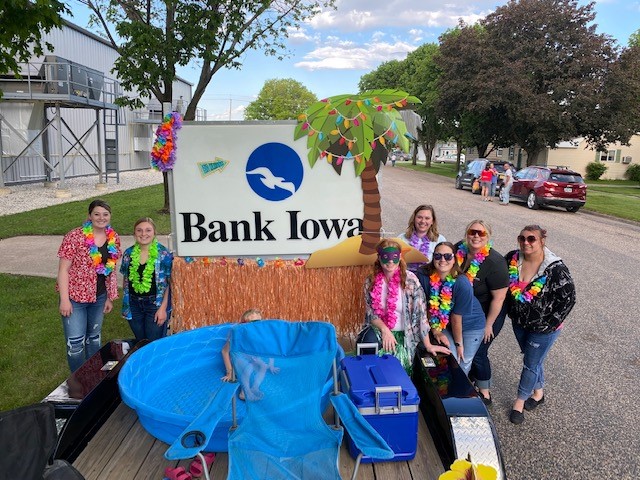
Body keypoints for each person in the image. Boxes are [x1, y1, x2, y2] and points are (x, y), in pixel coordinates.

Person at [505, 225, 575, 425]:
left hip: (544, 329)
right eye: (522, 238)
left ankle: (519, 403)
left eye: (531, 239)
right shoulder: (512, 259)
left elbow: (569, 299)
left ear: (542, 241)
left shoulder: (555, 269)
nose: (526, 242)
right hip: (519, 323)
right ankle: (538, 393)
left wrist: (551, 324)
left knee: (530, 363)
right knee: (533, 360)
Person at [358, 239, 450, 374]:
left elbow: (421, 315)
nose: (390, 262)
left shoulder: (411, 281)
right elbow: (370, 313)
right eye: (385, 257)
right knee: (371, 359)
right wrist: (384, 330)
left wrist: (428, 345)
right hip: (380, 333)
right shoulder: (370, 281)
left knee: (396, 371)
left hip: (405, 336)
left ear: (400, 257)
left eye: (394, 258)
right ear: (379, 258)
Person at [57, 199, 121, 372]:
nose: (101, 218)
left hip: (99, 298)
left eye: (105, 214)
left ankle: (94, 376)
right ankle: (78, 380)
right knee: (76, 343)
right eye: (97, 214)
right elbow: (63, 270)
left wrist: (109, 296)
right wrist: (65, 300)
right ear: (89, 216)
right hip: (75, 298)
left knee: (94, 339)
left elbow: (110, 270)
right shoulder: (75, 236)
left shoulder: (113, 238)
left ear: (110, 216)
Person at [454, 220, 509, 404]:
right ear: (467, 233)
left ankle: (485, 392)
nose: (476, 236)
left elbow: (499, 298)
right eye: (472, 231)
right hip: (463, 311)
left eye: (481, 233)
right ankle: (466, 380)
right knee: (458, 349)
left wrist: (488, 325)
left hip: (489, 313)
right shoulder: (456, 251)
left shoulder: (495, 262)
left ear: (488, 237)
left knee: (478, 352)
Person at [417, 242, 486, 376]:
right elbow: (427, 306)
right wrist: (436, 331)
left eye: (448, 256)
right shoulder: (424, 276)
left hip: (472, 325)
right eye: (438, 256)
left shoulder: (462, 282)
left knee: (463, 360)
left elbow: (456, 318)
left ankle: (460, 391)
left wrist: (459, 344)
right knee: (450, 356)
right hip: (447, 324)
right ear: (433, 257)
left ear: (454, 259)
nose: (443, 260)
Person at [120, 217, 173, 342]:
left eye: (148, 230)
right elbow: (125, 279)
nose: (144, 234)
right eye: (139, 230)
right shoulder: (128, 253)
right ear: (134, 233)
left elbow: (169, 284)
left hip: (155, 304)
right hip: (133, 304)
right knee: (140, 341)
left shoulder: (163, 254)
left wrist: (163, 309)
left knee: (153, 343)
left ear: (154, 232)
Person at [398, 204, 446, 272]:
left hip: (429, 278)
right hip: (405, 277)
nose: (423, 221)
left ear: (432, 221)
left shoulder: (440, 240)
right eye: (419, 217)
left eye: (427, 218)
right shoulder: (402, 238)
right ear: (414, 219)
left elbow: (444, 263)